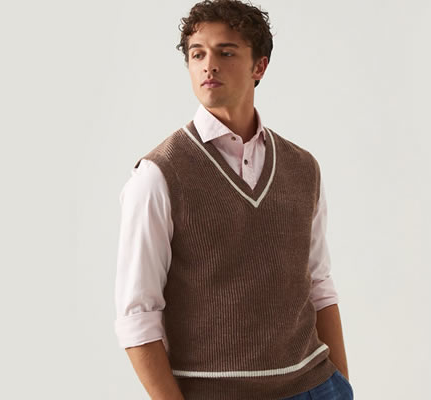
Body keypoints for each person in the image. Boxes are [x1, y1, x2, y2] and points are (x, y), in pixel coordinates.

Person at [113, 1, 352, 398]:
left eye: (226, 53)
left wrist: (342, 384)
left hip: (316, 387)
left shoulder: (302, 167)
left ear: (260, 66)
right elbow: (137, 316)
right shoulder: (158, 175)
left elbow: (319, 284)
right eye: (197, 54)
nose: (209, 66)